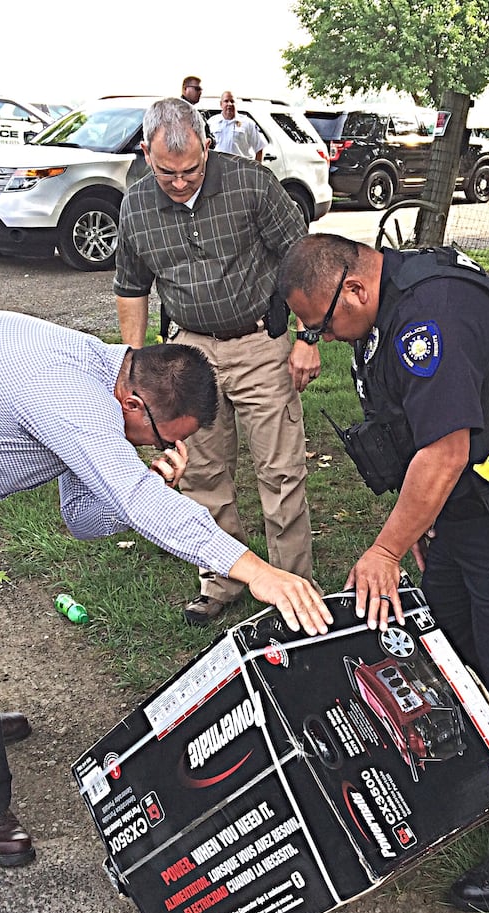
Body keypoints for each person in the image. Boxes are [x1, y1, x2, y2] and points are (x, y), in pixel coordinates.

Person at [0, 310, 332, 869]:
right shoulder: (72, 394)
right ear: (136, 404)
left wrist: (146, 478)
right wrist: (257, 571)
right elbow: (135, 505)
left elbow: (82, 516)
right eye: (162, 437)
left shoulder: (102, 377)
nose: (153, 445)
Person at [277, 234, 489, 912]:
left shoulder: (430, 317)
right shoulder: (386, 300)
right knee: (454, 647)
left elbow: (444, 450)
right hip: (470, 511)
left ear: (354, 290)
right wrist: (422, 526)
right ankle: (482, 774)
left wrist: (385, 549)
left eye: (323, 323)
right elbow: (415, 436)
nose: (322, 338)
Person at [115, 97, 319, 627]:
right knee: (202, 473)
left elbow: (305, 258)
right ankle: (222, 578)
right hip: (188, 352)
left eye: (191, 171)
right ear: (145, 153)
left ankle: (293, 584)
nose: (180, 183)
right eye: (166, 172)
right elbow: (132, 287)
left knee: (280, 472)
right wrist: (132, 366)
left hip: (258, 344)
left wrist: (308, 335)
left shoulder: (252, 184)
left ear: (207, 147)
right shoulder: (135, 205)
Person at [207, 91, 265, 162]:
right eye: (226, 101)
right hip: (218, 168)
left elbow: (259, 148)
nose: (229, 104)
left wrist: (256, 170)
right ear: (221, 104)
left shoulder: (248, 123)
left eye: (232, 101)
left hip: (239, 169)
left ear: (236, 104)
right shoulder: (212, 122)